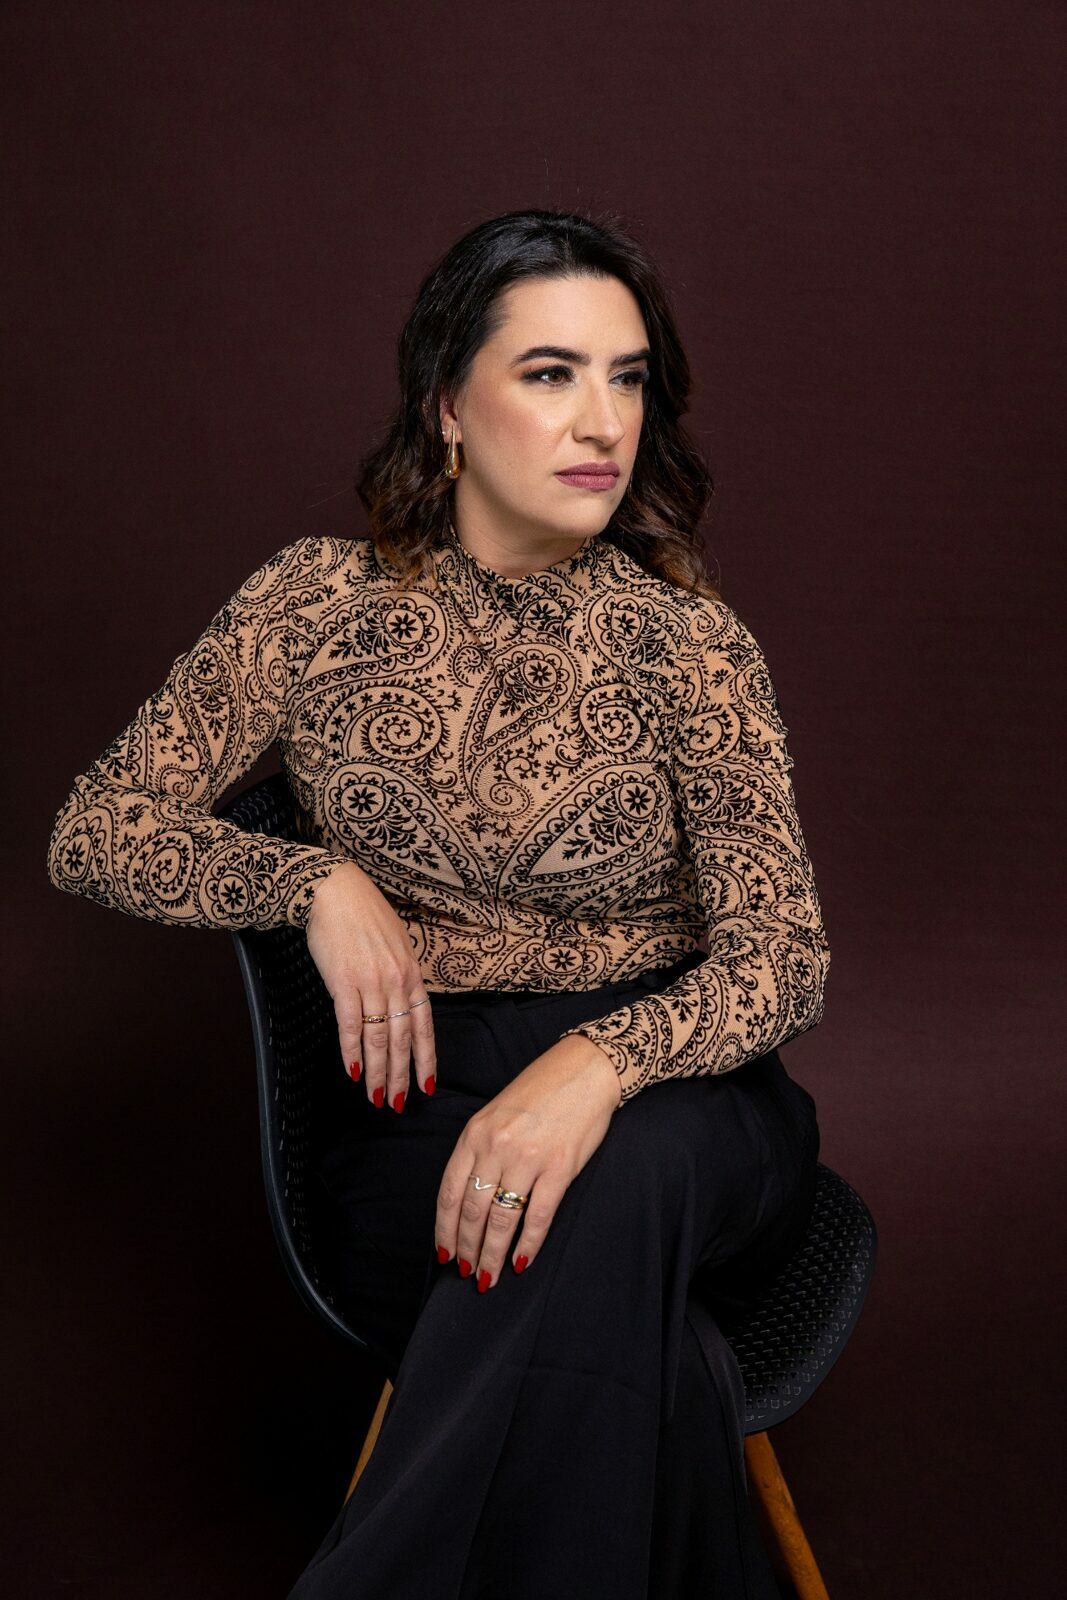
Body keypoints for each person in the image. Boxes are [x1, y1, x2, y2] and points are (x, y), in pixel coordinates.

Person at [46, 206, 830, 1599]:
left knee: (611, 1178)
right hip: (424, 1107)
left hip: (684, 1093)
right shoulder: (311, 604)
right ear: (446, 407)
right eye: (550, 373)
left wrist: (593, 1067)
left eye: (628, 377)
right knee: (626, 1307)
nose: (603, 421)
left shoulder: (689, 643)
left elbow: (783, 959)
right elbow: (95, 829)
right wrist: (310, 877)